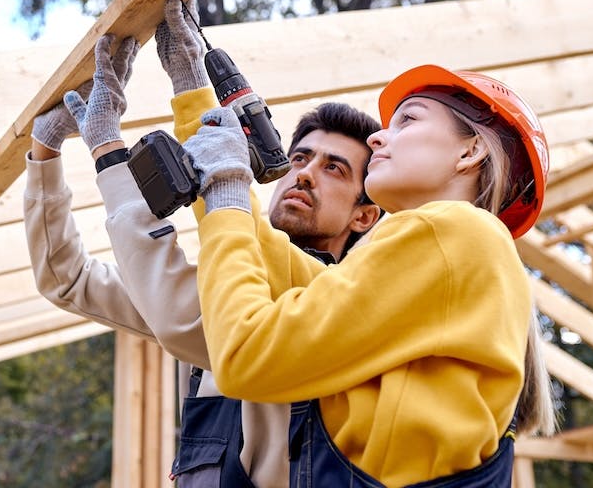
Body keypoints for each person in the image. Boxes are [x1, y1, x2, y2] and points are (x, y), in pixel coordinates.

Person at [23, 0, 382, 487]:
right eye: (300, 158)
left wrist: (113, 148)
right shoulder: (228, 280)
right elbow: (68, 280)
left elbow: (184, 315)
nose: (305, 174)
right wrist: (45, 150)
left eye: (334, 168)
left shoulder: (347, 302)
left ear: (365, 215)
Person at [180, 64, 558, 486]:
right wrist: (193, 95)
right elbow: (273, 261)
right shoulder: (445, 255)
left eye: (408, 119)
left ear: (470, 152)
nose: (377, 137)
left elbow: (247, 353)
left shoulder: (453, 229)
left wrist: (226, 184)